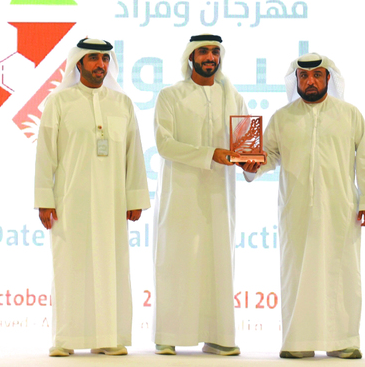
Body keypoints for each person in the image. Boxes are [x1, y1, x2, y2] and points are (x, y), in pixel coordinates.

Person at [242, 53, 365, 360]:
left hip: (340, 210)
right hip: (297, 212)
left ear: (328, 78)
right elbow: (268, 156)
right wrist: (251, 167)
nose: (310, 81)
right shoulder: (282, 118)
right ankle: (298, 341)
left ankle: (342, 341)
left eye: (317, 75)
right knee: (297, 273)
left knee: (341, 274)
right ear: (297, 80)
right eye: (304, 76)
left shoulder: (350, 115)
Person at [34, 38, 150, 357]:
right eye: (94, 58)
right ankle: (66, 338)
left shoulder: (122, 104)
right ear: (79, 63)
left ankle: (108, 337)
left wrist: (135, 198)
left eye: (105, 59)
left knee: (112, 267)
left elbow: (134, 154)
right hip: (70, 202)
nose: (101, 64)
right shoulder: (59, 102)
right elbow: (45, 154)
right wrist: (45, 199)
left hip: (112, 203)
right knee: (70, 267)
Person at [152, 34, 250, 356]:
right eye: (204, 52)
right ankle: (168, 334)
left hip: (219, 197)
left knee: (217, 264)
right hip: (180, 195)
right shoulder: (170, 96)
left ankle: (218, 336)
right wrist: (210, 154)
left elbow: (245, 146)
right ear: (191, 57)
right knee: (176, 261)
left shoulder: (233, 97)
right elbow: (165, 144)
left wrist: (250, 163)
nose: (210, 57)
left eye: (215, 52)